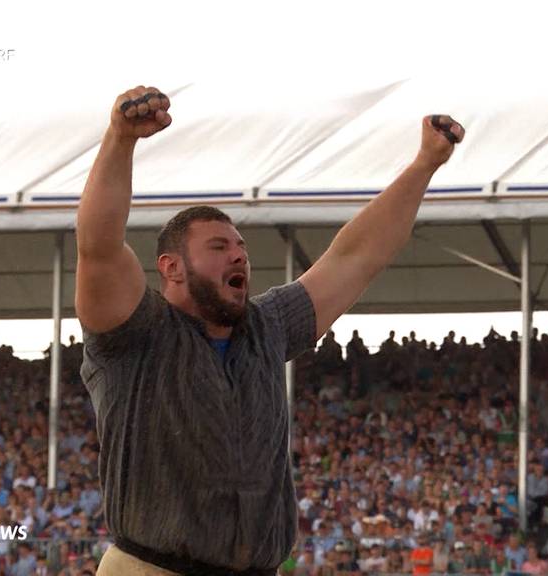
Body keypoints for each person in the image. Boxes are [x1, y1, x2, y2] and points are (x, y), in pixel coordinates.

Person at [76, 85, 464, 576]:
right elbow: (99, 246)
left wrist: (423, 165)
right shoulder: (136, 334)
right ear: (171, 268)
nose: (239, 255)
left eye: (241, 247)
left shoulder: (267, 325)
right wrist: (120, 140)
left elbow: (357, 256)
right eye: (218, 247)